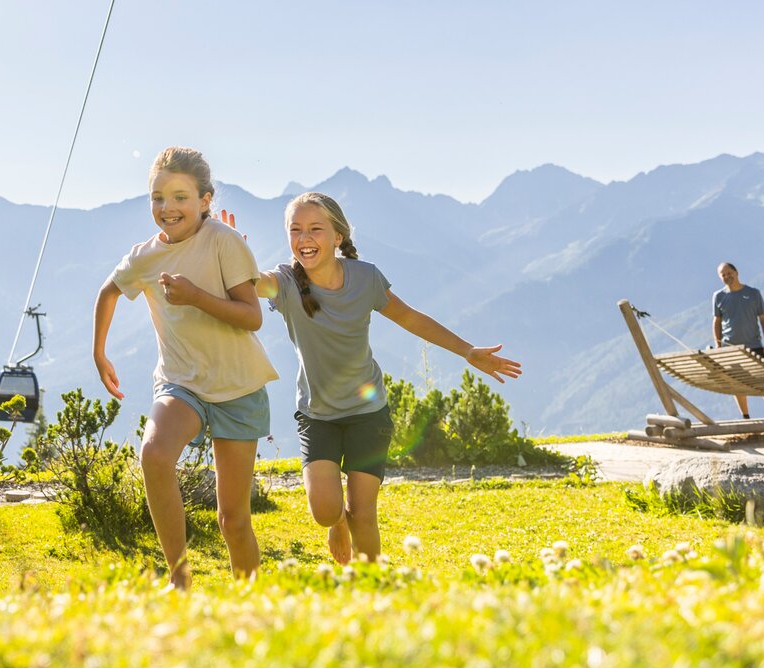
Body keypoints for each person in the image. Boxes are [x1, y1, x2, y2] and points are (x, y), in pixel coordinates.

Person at [254, 193, 521, 564]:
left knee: (363, 513)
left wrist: (467, 350)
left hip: (368, 413)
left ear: (338, 237)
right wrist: (232, 254)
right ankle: (337, 524)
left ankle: (372, 589)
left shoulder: (366, 278)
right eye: (295, 230)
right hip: (317, 415)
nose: (304, 238)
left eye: (315, 229)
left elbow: (410, 319)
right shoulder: (283, 282)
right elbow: (250, 284)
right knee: (326, 511)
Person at [93, 147, 278, 589]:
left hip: (238, 387)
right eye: (158, 198)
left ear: (205, 200)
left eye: (180, 197)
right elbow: (108, 291)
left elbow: (252, 316)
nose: (167, 208)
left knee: (232, 519)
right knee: (154, 456)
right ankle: (180, 581)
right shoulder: (145, 257)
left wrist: (196, 296)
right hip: (180, 384)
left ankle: (250, 604)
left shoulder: (223, 242)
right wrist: (99, 353)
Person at [712, 262, 764, 419]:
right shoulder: (718, 296)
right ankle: (745, 417)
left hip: (754, 345)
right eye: (723, 275)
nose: (727, 276)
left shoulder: (753, 293)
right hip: (730, 348)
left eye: (729, 273)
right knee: (737, 384)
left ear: (736, 272)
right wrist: (718, 345)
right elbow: (716, 321)